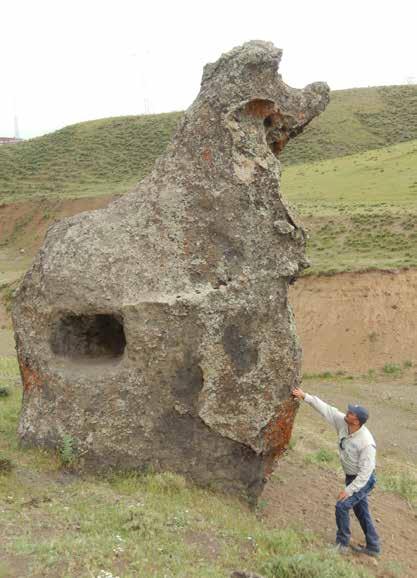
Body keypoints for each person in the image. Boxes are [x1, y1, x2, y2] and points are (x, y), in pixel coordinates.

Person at [292, 386, 381, 557]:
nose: (347, 412)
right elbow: (327, 409)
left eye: (351, 413)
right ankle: (374, 546)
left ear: (357, 421)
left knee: (342, 506)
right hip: (351, 476)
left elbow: (365, 474)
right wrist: (305, 396)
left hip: (363, 480)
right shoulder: (343, 422)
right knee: (361, 511)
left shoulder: (366, 443)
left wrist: (349, 490)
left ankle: (342, 545)